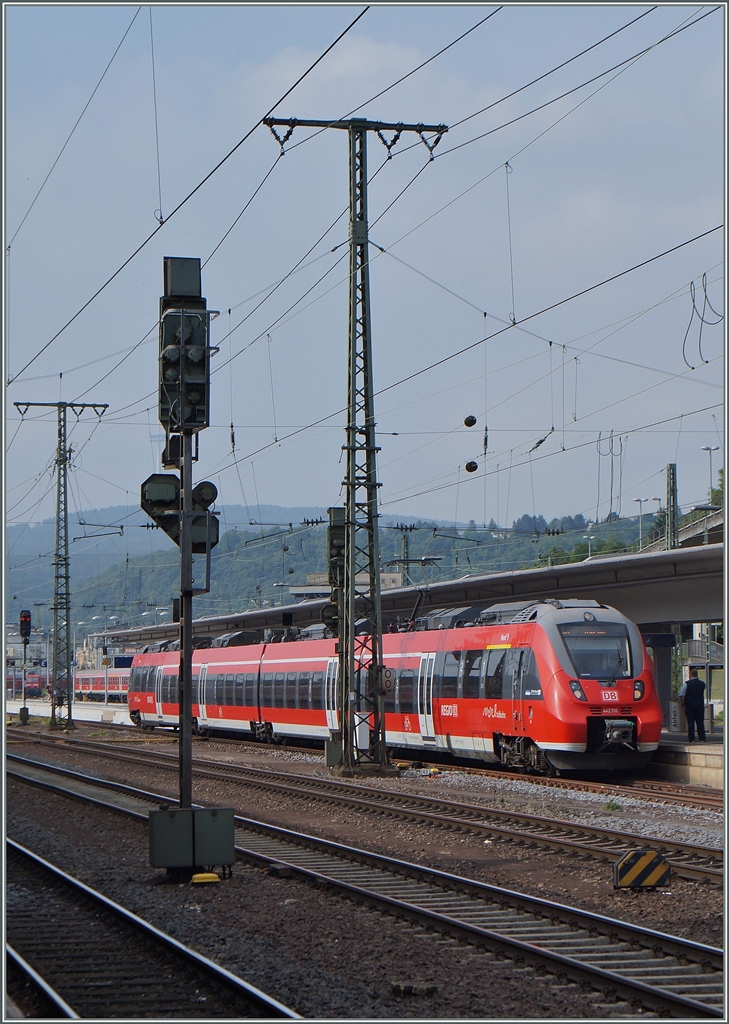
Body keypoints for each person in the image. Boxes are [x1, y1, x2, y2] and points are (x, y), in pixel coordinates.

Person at [679, 667, 706, 742]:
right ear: (697, 674)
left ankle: (691, 739)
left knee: (690, 722)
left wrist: (682, 703)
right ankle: (702, 738)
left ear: (691, 674)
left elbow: (682, 695)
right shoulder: (702, 684)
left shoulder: (686, 684)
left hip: (690, 706)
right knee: (700, 722)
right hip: (700, 705)